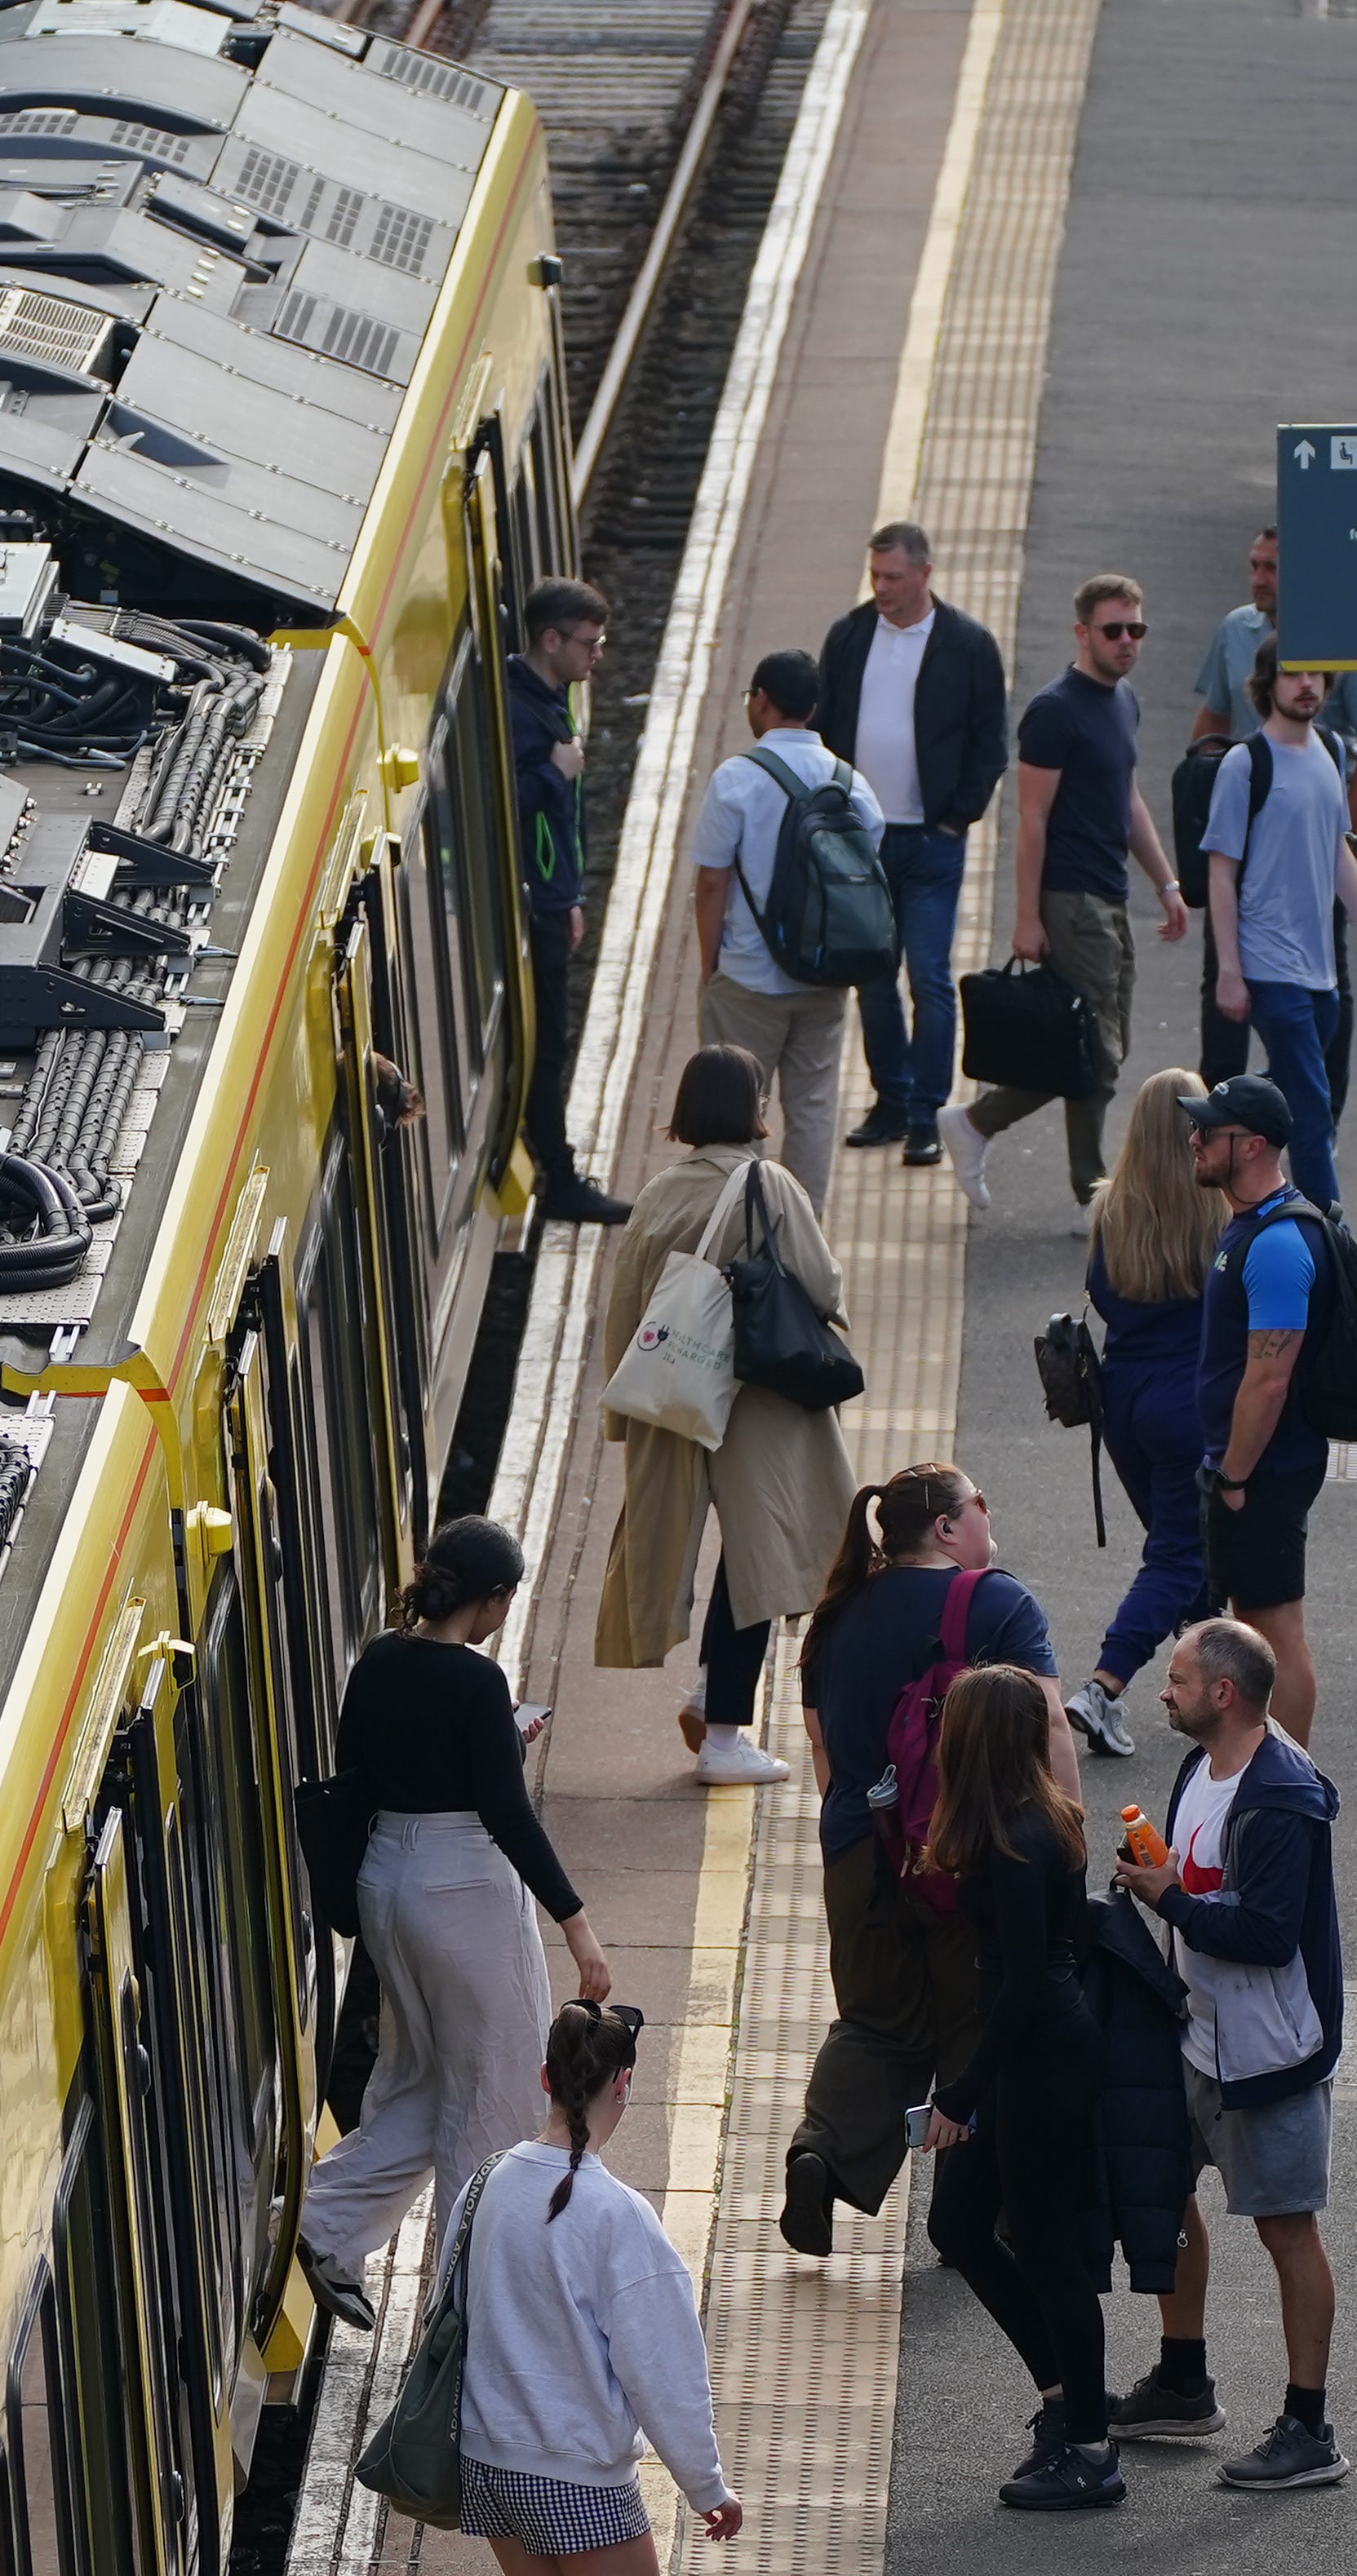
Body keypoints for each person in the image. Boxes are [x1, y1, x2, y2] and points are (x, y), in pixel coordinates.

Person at [439, 2001, 747, 2576]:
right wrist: (708, 2486)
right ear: (623, 2084)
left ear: (544, 2079)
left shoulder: (487, 2181)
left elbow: (446, 2314)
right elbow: (663, 2369)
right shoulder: (616, 2216)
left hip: (487, 2465)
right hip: (573, 2475)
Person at [295, 1520, 618, 2327]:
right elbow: (506, 1813)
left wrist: (497, 1739)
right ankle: (470, 2304)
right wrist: (576, 1924)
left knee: (429, 2078)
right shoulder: (476, 1682)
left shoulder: (377, 1659)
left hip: (387, 1881)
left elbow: (370, 1771)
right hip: (463, 1886)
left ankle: (323, 2221)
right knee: (500, 2089)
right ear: (495, 1598)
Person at [784, 1463, 1059, 2246]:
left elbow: (822, 1746)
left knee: (874, 2022)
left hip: (860, 1851)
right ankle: (968, 2217)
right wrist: (1064, 1845)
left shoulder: (836, 1612)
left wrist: (863, 1837)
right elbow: (1051, 1732)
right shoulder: (995, 1602)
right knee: (973, 2024)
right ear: (946, 1526)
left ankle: (822, 2153)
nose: (988, 1517)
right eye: (980, 1504)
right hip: (970, 1853)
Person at [1109, 1618, 1348, 2494]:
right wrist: (1160, 1874)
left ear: (1224, 1693)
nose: (1161, 1693)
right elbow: (1202, 1884)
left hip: (1268, 2052)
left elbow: (1266, 1930)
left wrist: (1167, 1895)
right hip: (1197, 2035)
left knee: (1287, 2228)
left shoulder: (1280, 1792)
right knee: (1164, 2192)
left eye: (1175, 1680)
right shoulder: (1198, 1767)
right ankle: (1183, 2378)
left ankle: (1309, 2427)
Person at [596, 1047, 858, 1786]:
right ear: (753, 1106)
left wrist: (627, 1416)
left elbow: (627, 1307)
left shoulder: (657, 1191)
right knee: (768, 1558)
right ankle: (722, 1735)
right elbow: (823, 1284)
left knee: (682, 1556)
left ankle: (717, 1695)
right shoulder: (768, 1183)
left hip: (673, 1393)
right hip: (759, 1399)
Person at [921, 1663, 1125, 2511]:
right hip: (1030, 2052)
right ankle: (1061, 2402)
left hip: (1039, 2059)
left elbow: (1029, 1983)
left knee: (1045, 2247)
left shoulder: (1017, 1837)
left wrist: (961, 2094)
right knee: (959, 2223)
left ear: (972, 1736)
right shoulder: (1031, 1819)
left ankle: (1090, 2446)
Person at [956, 576, 1190, 1224]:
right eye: (1113, 630)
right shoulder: (1055, 710)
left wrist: (1166, 882)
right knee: (1096, 1050)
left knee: (1091, 1045)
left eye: (1135, 630)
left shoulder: (1124, 701)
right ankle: (1093, 1190)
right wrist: (1027, 917)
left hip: (1110, 896)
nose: (1126, 642)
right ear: (1082, 632)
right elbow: (1030, 818)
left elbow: (1127, 798)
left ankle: (976, 1122)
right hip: (1071, 898)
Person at [818, 522, 1010, 1163]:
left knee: (927, 978)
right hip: (862, 842)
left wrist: (957, 817)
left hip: (932, 842)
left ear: (925, 573)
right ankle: (891, 1101)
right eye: (875, 577)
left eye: (893, 577)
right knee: (871, 976)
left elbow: (990, 741)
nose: (882, 589)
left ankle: (930, 1112)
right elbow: (824, 725)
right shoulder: (849, 636)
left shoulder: (968, 645)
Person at [1183, 529, 1357, 1086]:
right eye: (1253, 565)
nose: (1256, 578)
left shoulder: (1343, 638)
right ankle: (1224, 1114)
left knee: (1325, 981)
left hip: (1313, 843)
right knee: (1225, 980)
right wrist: (1208, 791)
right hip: (1247, 830)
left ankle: (1318, 1110)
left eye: (1271, 569)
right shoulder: (1236, 631)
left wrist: (1341, 828)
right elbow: (1211, 723)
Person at [1195, 644, 1357, 1217]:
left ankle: (1201, 1133)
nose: (1306, 684)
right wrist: (1230, 972)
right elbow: (1221, 870)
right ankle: (1328, 1235)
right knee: (1311, 1109)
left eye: (1315, 672)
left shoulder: (1333, 750)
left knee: (1288, 1093)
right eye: (1293, 673)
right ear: (1268, 683)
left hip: (1321, 971)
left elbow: (1339, 851)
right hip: (1268, 966)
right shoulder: (1246, 764)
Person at [692, 653, 882, 1188]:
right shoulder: (853, 786)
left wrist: (710, 967)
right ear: (813, 706)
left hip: (748, 978)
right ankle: (802, 1236)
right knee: (814, 1108)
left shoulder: (736, 780)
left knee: (737, 1117)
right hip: (823, 977)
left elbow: (711, 883)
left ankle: (743, 1233)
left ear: (761, 700)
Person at [1074, 1081, 1218, 1758]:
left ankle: (1214, 1677)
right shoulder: (1218, 1210)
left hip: (1123, 1402)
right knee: (1177, 1556)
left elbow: (1100, 1297)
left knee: (1186, 1548)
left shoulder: (1109, 1209)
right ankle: (1104, 1686)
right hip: (1191, 1403)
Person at [1184, 1075, 1328, 1742]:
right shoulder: (1249, 1226)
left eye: (1210, 1131)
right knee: (1254, 1623)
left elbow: (1269, 1380)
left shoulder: (1274, 1244)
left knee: (1275, 1632)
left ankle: (1289, 1785)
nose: (1196, 1139)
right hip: (1246, 1467)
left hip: (1264, 1471)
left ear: (1254, 1146)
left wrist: (1235, 1476)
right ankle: (1265, 1772)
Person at [508, 576, 629, 1224]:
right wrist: (557, 772)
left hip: (552, 898)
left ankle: (555, 1163)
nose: (596, 657)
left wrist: (573, 894)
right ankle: (559, 1177)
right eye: (588, 644)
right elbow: (503, 805)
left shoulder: (547, 697)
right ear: (550, 639)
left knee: (554, 1036)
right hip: (531, 907)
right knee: (548, 1039)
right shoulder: (520, 710)